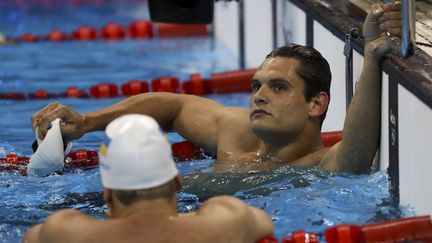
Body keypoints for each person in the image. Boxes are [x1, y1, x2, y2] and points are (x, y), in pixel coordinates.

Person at [31, 2, 402, 174]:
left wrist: (371, 58)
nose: (258, 95)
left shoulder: (318, 165)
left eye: (277, 87)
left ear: (316, 104)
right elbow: (173, 106)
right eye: (256, 85)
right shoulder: (237, 130)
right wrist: (87, 121)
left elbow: (355, 150)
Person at [23, 114, 274, 243]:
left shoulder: (65, 232)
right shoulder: (228, 219)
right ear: (177, 182)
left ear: (108, 194)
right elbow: (264, 224)